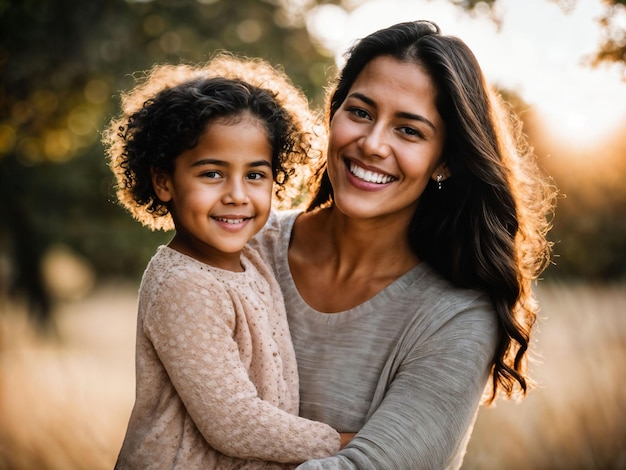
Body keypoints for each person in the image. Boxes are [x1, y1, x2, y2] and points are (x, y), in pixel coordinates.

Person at [250, 20, 556, 469]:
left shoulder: (456, 314)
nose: (372, 144)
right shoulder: (245, 249)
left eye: (409, 130)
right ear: (333, 114)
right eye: (360, 112)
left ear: (445, 163)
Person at [103, 55, 351, 469]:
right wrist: (344, 443)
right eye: (212, 174)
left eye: (255, 175)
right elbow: (234, 423)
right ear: (164, 180)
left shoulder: (252, 258)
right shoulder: (183, 285)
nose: (237, 194)